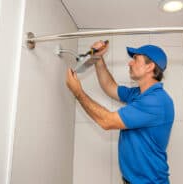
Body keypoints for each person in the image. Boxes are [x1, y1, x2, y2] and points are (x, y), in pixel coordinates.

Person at [66, 40, 175, 184]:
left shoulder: (156, 101)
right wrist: (98, 58)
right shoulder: (139, 94)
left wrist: (78, 93)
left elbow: (107, 121)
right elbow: (109, 86)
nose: (130, 63)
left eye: (135, 59)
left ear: (150, 66)